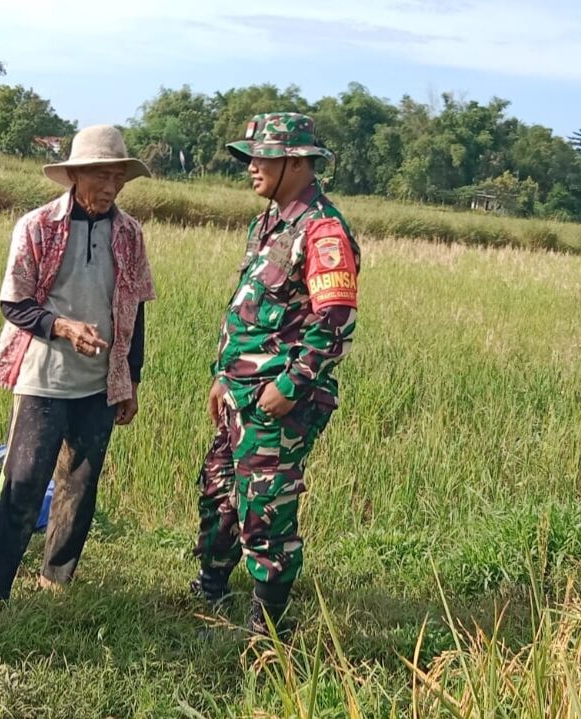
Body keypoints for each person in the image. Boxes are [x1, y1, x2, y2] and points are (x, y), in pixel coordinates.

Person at [0, 125, 154, 621]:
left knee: (80, 483)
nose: (111, 187)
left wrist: (131, 380)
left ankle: (55, 579)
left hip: (100, 384)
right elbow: (15, 304)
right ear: (75, 175)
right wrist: (63, 327)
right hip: (44, 379)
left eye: (118, 178)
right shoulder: (38, 226)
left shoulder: (129, 234)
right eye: (101, 176)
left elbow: (136, 308)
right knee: (23, 483)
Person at [191, 113, 361, 636]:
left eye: (262, 157)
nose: (251, 166)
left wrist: (289, 387)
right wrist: (223, 376)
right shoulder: (269, 223)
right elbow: (252, 309)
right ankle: (210, 589)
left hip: (278, 400)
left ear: (297, 163)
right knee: (219, 491)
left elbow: (335, 321)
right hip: (239, 391)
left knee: (265, 509)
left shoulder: (322, 231)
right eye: (250, 157)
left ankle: (269, 628)